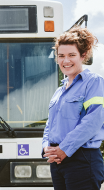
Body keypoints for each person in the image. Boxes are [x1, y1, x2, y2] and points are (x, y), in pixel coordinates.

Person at [42, 26, 104, 190]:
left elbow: (93, 121)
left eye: (71, 55)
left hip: (82, 160)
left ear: (83, 56)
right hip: (59, 161)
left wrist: (64, 149)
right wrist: (46, 146)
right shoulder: (59, 91)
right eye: (61, 56)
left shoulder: (94, 82)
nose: (65, 60)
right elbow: (51, 123)